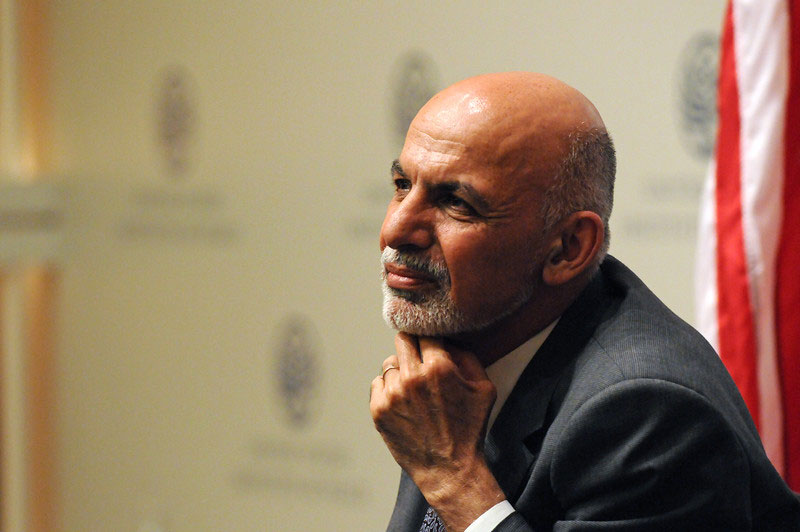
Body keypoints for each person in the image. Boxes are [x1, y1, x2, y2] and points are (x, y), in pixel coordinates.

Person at [369, 72, 800, 531]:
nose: (395, 230)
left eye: (456, 203)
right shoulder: (453, 360)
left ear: (568, 248)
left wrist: (452, 477)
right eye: (402, 184)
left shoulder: (645, 413)